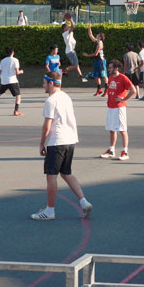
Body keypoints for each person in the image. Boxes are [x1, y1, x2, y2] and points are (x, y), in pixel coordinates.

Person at [31, 71, 93, 220]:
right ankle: (84, 202)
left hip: (57, 141)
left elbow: (47, 126)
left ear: (50, 83)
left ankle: (49, 211)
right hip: (70, 140)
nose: (43, 85)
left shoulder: (51, 101)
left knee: (51, 177)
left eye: (44, 83)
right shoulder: (66, 96)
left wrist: (41, 144)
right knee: (66, 172)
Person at [100, 59, 135, 161]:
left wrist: (124, 99)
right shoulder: (110, 78)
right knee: (112, 130)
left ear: (117, 68)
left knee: (122, 130)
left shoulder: (123, 78)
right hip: (110, 107)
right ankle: (111, 150)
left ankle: (125, 152)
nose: (109, 69)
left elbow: (133, 89)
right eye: (109, 67)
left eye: (110, 67)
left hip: (119, 108)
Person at [0, 47, 24, 115]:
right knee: (18, 96)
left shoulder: (2, 61)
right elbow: (17, 72)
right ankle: (16, 111)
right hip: (12, 80)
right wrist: (21, 71)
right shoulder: (15, 60)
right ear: (13, 52)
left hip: (4, 81)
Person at [83, 23, 107, 96]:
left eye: (98, 35)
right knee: (96, 76)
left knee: (103, 75)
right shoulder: (97, 41)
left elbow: (95, 54)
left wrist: (87, 55)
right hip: (97, 61)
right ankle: (99, 89)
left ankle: (107, 88)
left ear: (100, 37)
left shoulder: (100, 44)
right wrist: (89, 26)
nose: (96, 35)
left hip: (101, 61)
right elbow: (90, 35)